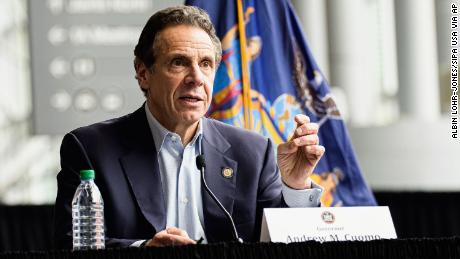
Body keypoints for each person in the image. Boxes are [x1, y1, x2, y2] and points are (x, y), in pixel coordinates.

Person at [54, 5, 325, 249]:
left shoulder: (253, 151)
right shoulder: (91, 149)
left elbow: (284, 243)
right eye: (179, 62)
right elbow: (72, 243)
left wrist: (296, 184)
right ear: (143, 73)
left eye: (205, 64)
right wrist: (143, 249)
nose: (196, 78)